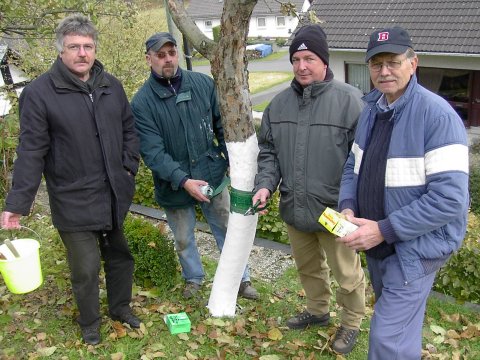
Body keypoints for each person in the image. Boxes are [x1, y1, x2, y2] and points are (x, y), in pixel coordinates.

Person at [0, 14, 141, 345]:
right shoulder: (39, 93)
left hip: (113, 192)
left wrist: (128, 167)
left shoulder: (110, 85)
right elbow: (31, 151)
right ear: (61, 51)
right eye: (74, 47)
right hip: (73, 196)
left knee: (120, 257)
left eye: (88, 46)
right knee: (86, 267)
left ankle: (120, 308)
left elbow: (129, 129)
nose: (82, 53)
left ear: (95, 49)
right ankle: (90, 321)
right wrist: (17, 204)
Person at [337, 26, 469, 359]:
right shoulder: (371, 109)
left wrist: (382, 230)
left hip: (414, 250)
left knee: (386, 340)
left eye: (393, 62)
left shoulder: (437, 116)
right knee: (400, 333)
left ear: (413, 63)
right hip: (378, 244)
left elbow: (450, 199)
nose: (384, 71)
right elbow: (353, 167)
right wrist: (349, 207)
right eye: (376, 63)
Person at [252, 24, 366, 355]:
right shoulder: (278, 106)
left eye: (310, 58)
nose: (302, 66)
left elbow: (363, 163)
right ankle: (318, 311)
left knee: (347, 274)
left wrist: (354, 205)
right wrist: (264, 186)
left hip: (336, 211)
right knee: (308, 268)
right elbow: (269, 154)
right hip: (295, 207)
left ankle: (352, 323)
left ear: (324, 61)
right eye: (297, 58)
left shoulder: (350, 102)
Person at [130, 32, 258, 301]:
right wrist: (184, 180)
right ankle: (194, 278)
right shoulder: (142, 103)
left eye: (171, 53)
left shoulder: (202, 84)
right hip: (173, 183)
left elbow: (223, 126)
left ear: (178, 54)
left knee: (226, 228)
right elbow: (153, 153)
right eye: (160, 55)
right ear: (148, 59)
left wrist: (232, 161)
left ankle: (241, 278)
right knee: (184, 237)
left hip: (211, 173)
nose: (168, 59)